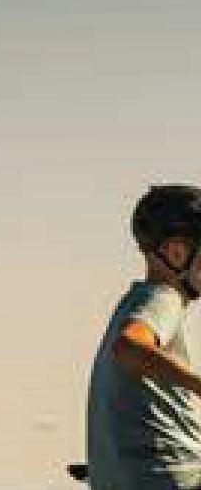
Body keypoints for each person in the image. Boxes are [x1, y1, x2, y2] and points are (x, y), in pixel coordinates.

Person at [87, 184, 201, 490]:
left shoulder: (132, 303)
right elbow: (130, 347)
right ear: (177, 253)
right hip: (169, 476)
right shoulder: (164, 298)